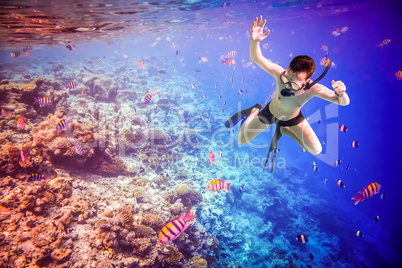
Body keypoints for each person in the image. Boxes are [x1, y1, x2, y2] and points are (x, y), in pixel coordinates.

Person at [225, 16, 350, 172]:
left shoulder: (314, 89)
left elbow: (343, 102)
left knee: (317, 150)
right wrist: (255, 41)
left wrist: (341, 93)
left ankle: (284, 129)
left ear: (306, 82)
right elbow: (256, 57)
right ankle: (254, 110)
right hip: (271, 112)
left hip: (293, 119)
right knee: (242, 140)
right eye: (287, 77)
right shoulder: (279, 73)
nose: (286, 84)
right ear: (287, 68)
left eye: (294, 83)